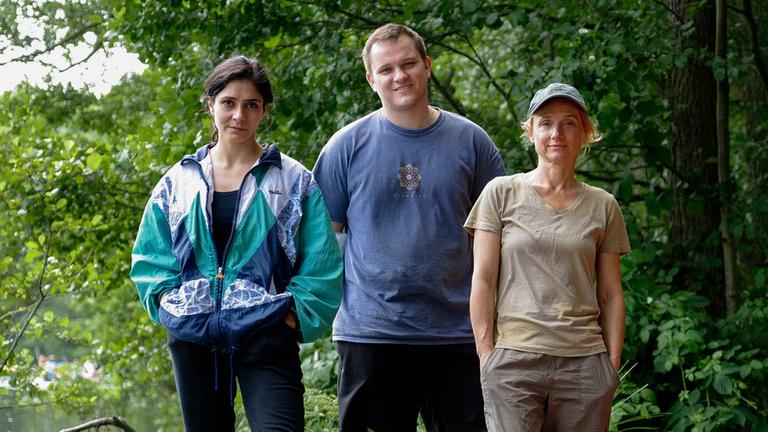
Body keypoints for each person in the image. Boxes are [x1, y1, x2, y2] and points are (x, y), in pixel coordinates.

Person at [130, 55, 343, 432]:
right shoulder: (178, 182)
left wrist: (290, 314)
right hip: (193, 337)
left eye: (251, 105)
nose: (239, 116)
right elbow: (150, 257)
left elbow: (323, 263)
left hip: (267, 333)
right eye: (228, 103)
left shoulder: (293, 180)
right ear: (209, 105)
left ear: (264, 110)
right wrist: (167, 304)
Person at [313, 23, 506, 432]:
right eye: (386, 70)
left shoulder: (472, 143)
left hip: (458, 332)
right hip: (371, 333)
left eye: (408, 64)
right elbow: (323, 244)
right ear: (371, 79)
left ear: (428, 66)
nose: (399, 76)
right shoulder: (344, 147)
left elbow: (499, 239)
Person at [465, 82, 630, 431]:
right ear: (531, 132)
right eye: (545, 123)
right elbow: (482, 279)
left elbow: (611, 293)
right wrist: (486, 356)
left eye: (569, 123)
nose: (557, 133)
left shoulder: (604, 205)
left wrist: (611, 364)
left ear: (585, 133)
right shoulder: (501, 193)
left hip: (585, 364)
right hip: (513, 362)